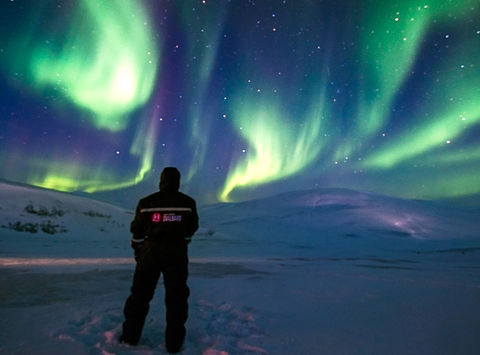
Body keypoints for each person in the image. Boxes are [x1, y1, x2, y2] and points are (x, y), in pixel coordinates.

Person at [119, 167, 199, 353]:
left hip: (150, 251)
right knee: (177, 297)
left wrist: (139, 252)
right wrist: (182, 241)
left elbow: (137, 230)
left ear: (161, 180)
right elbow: (192, 227)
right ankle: (174, 343)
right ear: (178, 181)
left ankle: (130, 337)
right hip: (177, 252)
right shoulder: (188, 203)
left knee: (140, 295)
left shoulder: (146, 202)